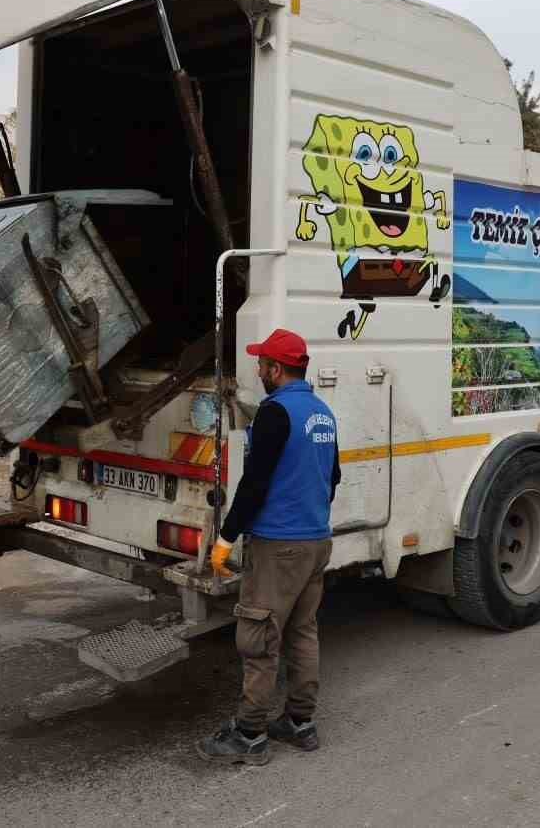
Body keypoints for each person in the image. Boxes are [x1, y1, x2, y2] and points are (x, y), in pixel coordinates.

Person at [198, 328, 341, 765]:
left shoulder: (275, 414)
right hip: (317, 541)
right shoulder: (322, 412)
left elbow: (254, 483)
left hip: (279, 545)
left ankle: (250, 734)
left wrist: (225, 539)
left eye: (262, 364)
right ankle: (300, 723)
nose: (258, 369)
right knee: (302, 631)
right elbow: (332, 479)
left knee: (259, 637)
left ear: (277, 370)